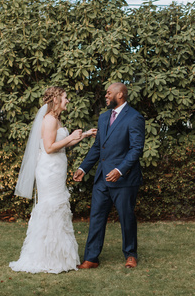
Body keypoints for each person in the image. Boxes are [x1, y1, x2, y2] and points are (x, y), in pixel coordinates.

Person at [10, 86, 97, 274]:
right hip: (49, 171)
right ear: (56, 99)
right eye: (65, 97)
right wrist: (72, 136)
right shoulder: (49, 120)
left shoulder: (55, 119)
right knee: (51, 207)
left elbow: (62, 144)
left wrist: (84, 135)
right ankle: (46, 257)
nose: (68, 101)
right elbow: (49, 147)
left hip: (56, 168)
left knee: (58, 207)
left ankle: (58, 256)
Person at [73, 82, 145, 269]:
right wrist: (83, 168)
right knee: (96, 216)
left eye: (108, 93)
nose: (106, 96)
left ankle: (130, 255)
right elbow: (98, 147)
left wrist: (120, 170)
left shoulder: (135, 117)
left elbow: (136, 149)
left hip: (124, 179)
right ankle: (91, 258)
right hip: (101, 179)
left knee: (126, 217)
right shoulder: (104, 118)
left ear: (120, 95)